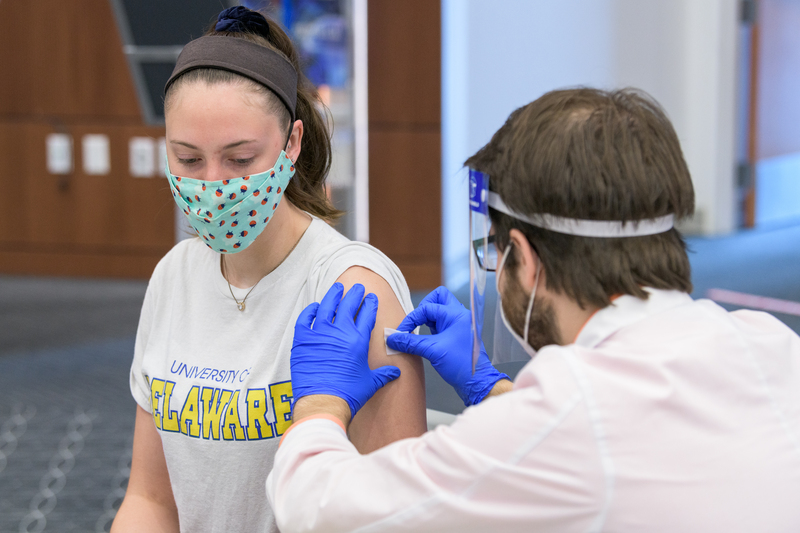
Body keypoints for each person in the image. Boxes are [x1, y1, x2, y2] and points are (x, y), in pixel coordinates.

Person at [268, 88, 800, 532]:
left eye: (496, 253)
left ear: (522, 255)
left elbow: (323, 510)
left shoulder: (566, 414)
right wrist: (497, 391)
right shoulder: (770, 344)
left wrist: (318, 408)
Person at [112, 7, 426, 532]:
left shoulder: (349, 289)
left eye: (239, 160)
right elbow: (151, 500)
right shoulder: (174, 276)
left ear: (292, 144)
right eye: (188, 160)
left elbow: (396, 516)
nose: (213, 184)